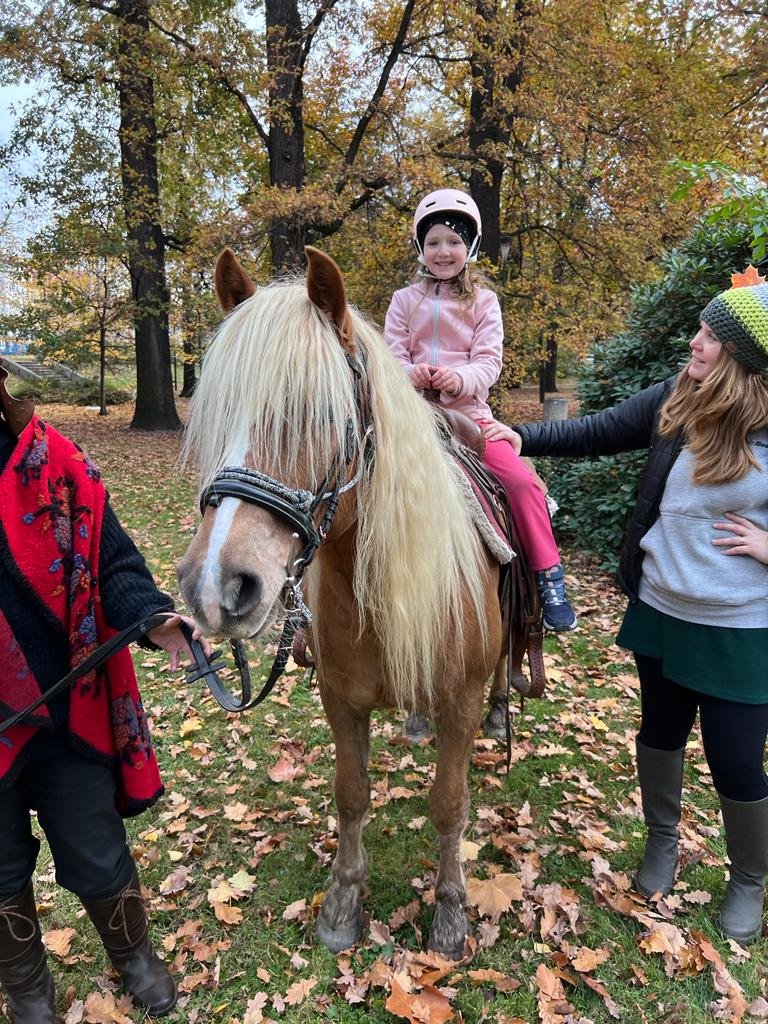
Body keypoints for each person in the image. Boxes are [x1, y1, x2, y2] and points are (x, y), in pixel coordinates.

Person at [487, 268, 768, 943]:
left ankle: (748, 880)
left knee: (735, 761)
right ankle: (662, 843)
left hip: (740, 626)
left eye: (711, 337)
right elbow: (597, 431)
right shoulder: (679, 397)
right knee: (659, 735)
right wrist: (520, 437)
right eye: (699, 329)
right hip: (663, 610)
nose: (695, 343)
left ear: (743, 358)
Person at [0, 369, 208, 1021]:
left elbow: (112, 563)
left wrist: (152, 618)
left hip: (70, 715)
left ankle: (134, 955)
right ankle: (27, 991)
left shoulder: (52, 462)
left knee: (95, 847)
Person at [384, 188, 577, 631]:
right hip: (411, 418)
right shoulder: (404, 301)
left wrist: (460, 379)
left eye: (453, 241)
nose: (443, 251)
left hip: (470, 418)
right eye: (433, 242)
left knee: (521, 482)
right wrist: (410, 374)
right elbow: (390, 355)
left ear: (469, 246)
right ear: (420, 248)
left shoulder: (483, 301)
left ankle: (548, 576)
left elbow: (489, 361)